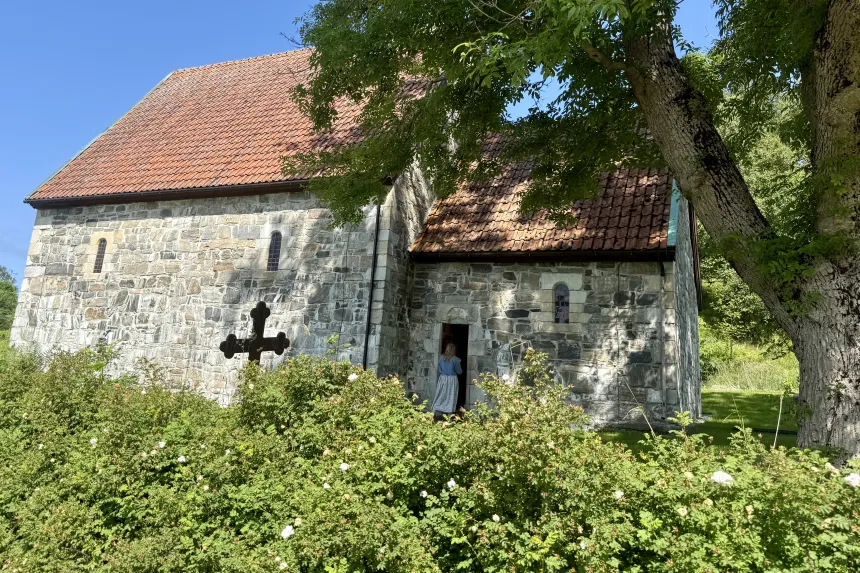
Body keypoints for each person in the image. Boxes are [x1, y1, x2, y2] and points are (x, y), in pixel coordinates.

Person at [431, 342, 463, 421]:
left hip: (442, 378)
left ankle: (435, 412)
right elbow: (459, 371)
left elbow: (439, 369)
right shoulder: (455, 359)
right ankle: (448, 416)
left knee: (440, 395)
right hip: (451, 379)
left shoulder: (441, 358)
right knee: (450, 396)